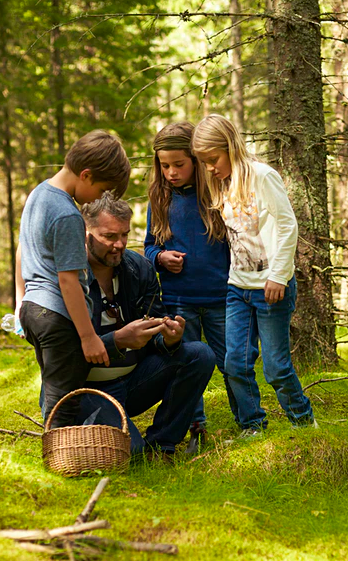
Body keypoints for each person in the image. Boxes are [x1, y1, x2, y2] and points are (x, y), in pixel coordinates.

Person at [191, 114, 316, 436]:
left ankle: (304, 424)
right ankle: (253, 426)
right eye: (203, 162)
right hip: (238, 288)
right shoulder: (222, 183)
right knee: (235, 363)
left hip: (271, 287)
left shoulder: (262, 176)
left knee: (276, 368)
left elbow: (288, 225)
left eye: (213, 160)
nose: (209, 168)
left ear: (231, 147)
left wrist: (278, 276)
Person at [76, 193, 215, 459]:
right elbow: (61, 352)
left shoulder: (138, 268)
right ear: (86, 232)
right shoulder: (71, 277)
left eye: (124, 235)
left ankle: (163, 444)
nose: (119, 245)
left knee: (199, 354)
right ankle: (135, 444)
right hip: (85, 387)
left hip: (133, 381)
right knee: (132, 454)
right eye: (109, 236)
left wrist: (170, 339)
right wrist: (117, 341)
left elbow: (155, 334)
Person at [15, 130, 130, 429]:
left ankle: (59, 450)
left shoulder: (38, 194)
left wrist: (21, 301)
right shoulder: (67, 215)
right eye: (102, 189)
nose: (99, 199)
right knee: (64, 400)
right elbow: (68, 282)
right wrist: (88, 336)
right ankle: (59, 460)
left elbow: (21, 250)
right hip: (57, 316)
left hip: (34, 309)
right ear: (86, 175)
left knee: (55, 388)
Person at [143, 122, 231, 453]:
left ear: (195, 159)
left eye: (178, 164)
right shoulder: (160, 198)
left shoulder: (217, 195)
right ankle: (196, 430)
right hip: (179, 300)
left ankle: (248, 423)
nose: (171, 172)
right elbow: (149, 246)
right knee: (188, 364)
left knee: (231, 362)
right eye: (164, 166)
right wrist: (161, 257)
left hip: (222, 297)